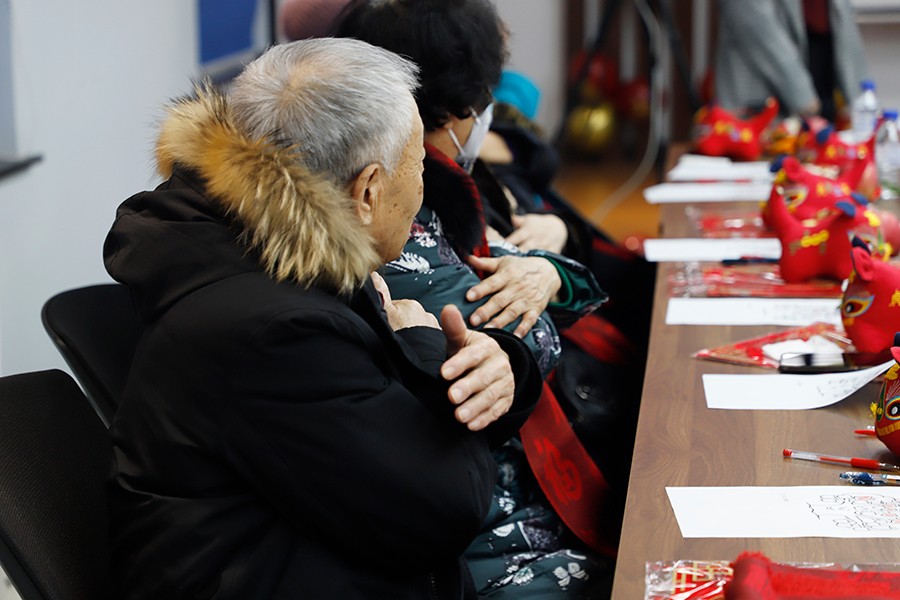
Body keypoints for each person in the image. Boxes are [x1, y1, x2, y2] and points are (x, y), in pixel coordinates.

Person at [103, 38, 542, 600]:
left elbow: (395, 431)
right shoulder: (275, 332)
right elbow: (443, 511)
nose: (422, 187)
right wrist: (423, 344)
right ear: (367, 191)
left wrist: (500, 368)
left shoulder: (267, 252)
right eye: (416, 165)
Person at [715, 0, 870, 122]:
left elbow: (843, 18)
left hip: (823, 90)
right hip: (760, 103)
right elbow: (756, 26)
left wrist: (860, 98)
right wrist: (803, 97)